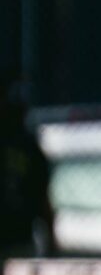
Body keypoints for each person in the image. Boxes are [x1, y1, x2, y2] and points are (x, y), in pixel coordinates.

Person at [0, 81, 50, 259]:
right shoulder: (30, 148)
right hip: (19, 238)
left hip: (19, 238)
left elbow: (42, 197)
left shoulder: (30, 149)